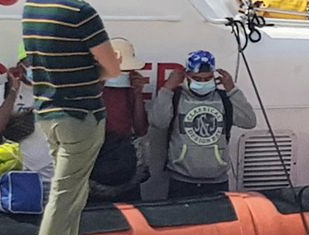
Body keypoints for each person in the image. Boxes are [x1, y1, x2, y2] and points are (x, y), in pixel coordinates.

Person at [23, 0, 121, 235]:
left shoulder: (33, 4)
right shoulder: (81, 11)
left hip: (48, 114)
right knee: (64, 199)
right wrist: (107, 67)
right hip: (80, 115)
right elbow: (112, 67)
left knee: (72, 197)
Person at [149, 50, 257, 199]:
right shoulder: (176, 97)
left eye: (207, 78)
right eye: (197, 78)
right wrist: (168, 88)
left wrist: (232, 90)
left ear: (214, 76)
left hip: (217, 181)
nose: (202, 82)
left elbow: (249, 122)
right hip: (181, 181)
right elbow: (158, 122)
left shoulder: (223, 99)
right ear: (187, 75)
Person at [89, 38, 150, 203]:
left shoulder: (129, 88)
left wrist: (138, 93)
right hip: (96, 163)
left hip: (125, 162)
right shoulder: (88, 88)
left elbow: (140, 129)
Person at [0, 46, 54, 190]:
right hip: (17, 179)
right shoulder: (2, 91)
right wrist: (13, 90)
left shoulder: (55, 92)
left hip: (52, 179)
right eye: (30, 62)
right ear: (20, 65)